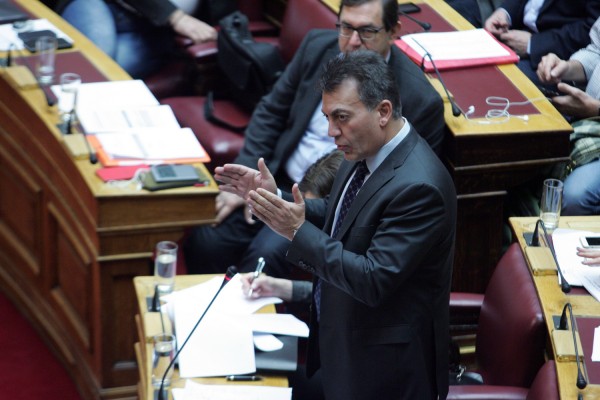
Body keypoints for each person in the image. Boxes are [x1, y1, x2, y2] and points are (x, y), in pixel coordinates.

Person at [216, 50, 456, 400]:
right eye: (327, 117)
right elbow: (339, 210)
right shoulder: (364, 147)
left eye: (341, 117)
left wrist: (296, 231)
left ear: (383, 112)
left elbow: (373, 279)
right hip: (344, 342)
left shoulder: (420, 187)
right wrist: (277, 197)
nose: (331, 131)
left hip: (384, 370)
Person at [183, 0, 446, 278]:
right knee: (207, 240)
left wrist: (290, 205)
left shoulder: (418, 100)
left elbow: (384, 190)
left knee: (264, 258)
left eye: (367, 31)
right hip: (277, 178)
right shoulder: (318, 46)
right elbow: (272, 110)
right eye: (346, 28)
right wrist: (250, 180)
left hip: (328, 204)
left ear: (393, 31)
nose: (353, 41)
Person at [47, 0, 217, 79]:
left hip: (155, 33)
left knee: (103, 76)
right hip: (102, 4)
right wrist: (176, 17)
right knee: (94, 66)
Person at [536, 17, 600, 216]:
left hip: (592, 118)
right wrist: (566, 68)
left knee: (574, 195)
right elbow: (596, 52)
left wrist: (596, 110)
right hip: (588, 123)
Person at [484, 0, 600, 86]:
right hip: (513, 29)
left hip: (555, 52)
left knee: (494, 75)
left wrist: (533, 44)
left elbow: (590, 30)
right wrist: (505, 13)